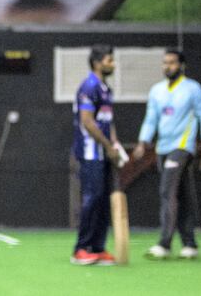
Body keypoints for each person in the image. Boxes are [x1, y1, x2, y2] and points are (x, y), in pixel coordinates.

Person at [133, 48, 201, 260]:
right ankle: (190, 244)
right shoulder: (157, 91)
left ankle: (164, 243)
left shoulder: (193, 89)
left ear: (181, 66)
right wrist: (143, 142)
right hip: (163, 147)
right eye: (165, 63)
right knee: (181, 194)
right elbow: (151, 119)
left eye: (172, 63)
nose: (167, 66)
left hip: (182, 147)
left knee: (167, 191)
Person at [71, 44, 121, 266]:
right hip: (90, 152)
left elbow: (107, 120)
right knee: (91, 198)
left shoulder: (105, 88)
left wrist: (115, 144)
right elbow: (88, 121)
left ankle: (97, 247)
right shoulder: (89, 86)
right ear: (98, 62)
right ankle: (80, 249)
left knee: (102, 199)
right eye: (110, 60)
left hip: (103, 152)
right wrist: (107, 145)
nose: (113, 64)